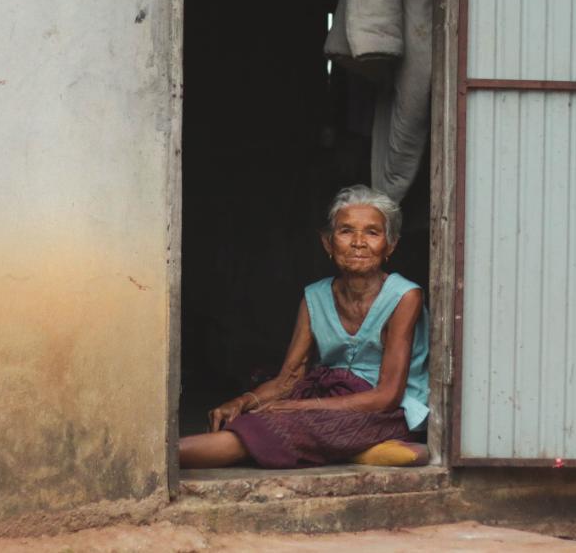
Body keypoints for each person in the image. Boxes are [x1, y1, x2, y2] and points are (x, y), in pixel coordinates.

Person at [179, 185, 430, 469]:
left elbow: (386, 396)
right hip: (330, 399)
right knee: (257, 418)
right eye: (346, 231)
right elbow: (289, 378)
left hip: (384, 412)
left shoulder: (405, 296)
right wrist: (243, 401)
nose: (358, 242)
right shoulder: (315, 296)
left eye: (372, 232)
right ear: (328, 243)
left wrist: (298, 407)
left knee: (276, 428)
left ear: (391, 245)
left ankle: (159, 458)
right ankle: (357, 451)